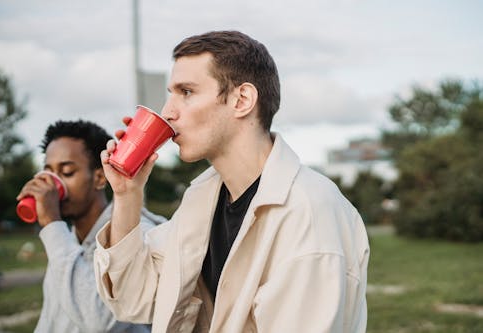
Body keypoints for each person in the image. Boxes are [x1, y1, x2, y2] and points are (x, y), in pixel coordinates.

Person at [94, 30, 370, 332]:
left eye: (186, 92)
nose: (167, 112)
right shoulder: (202, 200)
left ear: (241, 100)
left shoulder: (308, 213)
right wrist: (127, 194)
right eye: (171, 93)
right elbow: (134, 299)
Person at [16, 120, 166, 332]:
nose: (52, 185)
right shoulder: (66, 240)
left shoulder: (138, 233)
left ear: (100, 178)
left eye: (66, 172)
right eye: (48, 172)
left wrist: (52, 224)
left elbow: (100, 322)